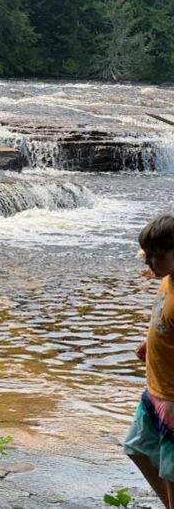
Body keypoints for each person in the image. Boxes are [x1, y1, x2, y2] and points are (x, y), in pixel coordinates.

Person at [125, 214, 174, 509]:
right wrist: (151, 343)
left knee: (172, 470)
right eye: (147, 256)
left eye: (157, 256)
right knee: (137, 448)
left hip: (171, 399)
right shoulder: (167, 280)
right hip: (154, 390)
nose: (149, 263)